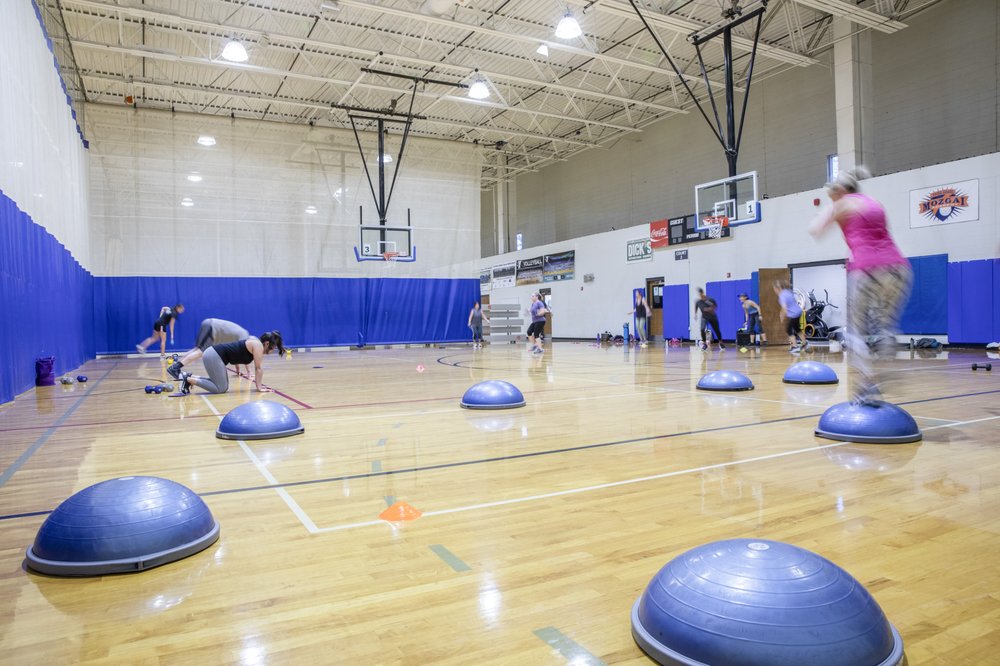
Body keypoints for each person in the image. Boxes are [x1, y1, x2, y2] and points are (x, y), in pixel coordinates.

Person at [810, 166, 912, 404]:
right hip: (899, 269)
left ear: (840, 190)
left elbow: (815, 230)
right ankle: (886, 354)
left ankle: (868, 383)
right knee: (885, 327)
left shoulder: (841, 205)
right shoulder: (874, 202)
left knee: (855, 331)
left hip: (866, 269)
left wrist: (827, 212)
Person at [179, 331, 284, 395]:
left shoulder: (255, 344)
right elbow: (258, 368)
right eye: (273, 348)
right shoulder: (258, 346)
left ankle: (189, 377)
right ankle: (187, 380)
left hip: (214, 355)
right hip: (214, 355)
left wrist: (257, 385)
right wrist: (259, 387)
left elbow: (236, 352)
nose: (272, 351)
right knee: (221, 388)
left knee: (220, 385)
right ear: (267, 343)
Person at [167, 318, 250, 380]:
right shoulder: (244, 336)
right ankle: (175, 368)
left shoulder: (242, 334)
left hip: (209, 324)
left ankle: (176, 366)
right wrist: (249, 371)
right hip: (212, 327)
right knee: (201, 352)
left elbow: (236, 353)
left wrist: (237, 370)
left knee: (197, 349)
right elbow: (243, 354)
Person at [775, 281, 807, 352]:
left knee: (789, 330)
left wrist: (783, 316)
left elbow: (784, 307)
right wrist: (782, 313)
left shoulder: (782, 295)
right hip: (798, 311)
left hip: (793, 314)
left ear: (778, 288)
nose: (775, 291)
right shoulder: (788, 291)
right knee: (797, 328)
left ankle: (795, 347)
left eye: (775, 289)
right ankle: (805, 343)